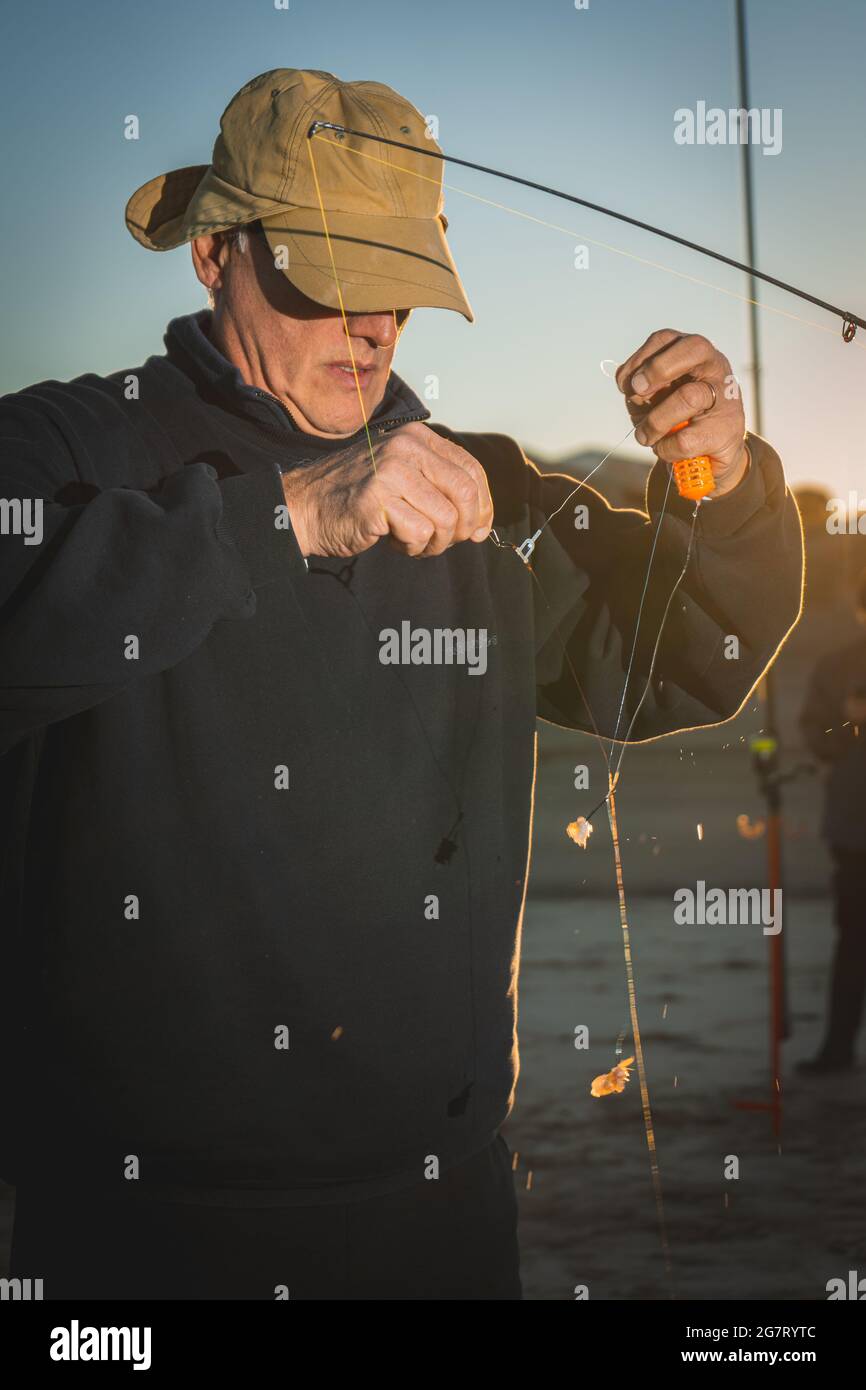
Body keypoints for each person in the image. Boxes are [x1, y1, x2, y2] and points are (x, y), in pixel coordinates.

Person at [0, 67, 803, 1300]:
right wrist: (283, 518)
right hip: (150, 1233)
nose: (370, 326)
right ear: (216, 252)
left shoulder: (482, 488)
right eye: (328, 277)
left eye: (400, 287)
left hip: (442, 1216)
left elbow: (696, 661)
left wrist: (722, 489)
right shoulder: (65, 447)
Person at [798, 568, 866, 1074]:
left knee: (853, 940)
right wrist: (850, 720)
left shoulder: (837, 663)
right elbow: (817, 735)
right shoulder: (838, 666)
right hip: (854, 826)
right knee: (854, 939)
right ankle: (838, 1049)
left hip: (851, 823)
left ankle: (837, 1051)